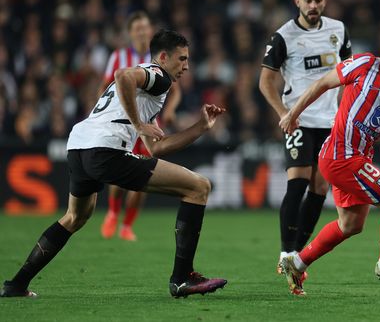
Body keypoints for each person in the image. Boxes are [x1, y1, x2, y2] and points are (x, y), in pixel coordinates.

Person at [0, 29, 227, 298]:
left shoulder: (147, 91)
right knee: (199, 186)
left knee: (75, 217)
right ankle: (181, 279)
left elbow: (157, 147)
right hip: (106, 149)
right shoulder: (159, 76)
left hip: (79, 145)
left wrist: (201, 127)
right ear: (163, 57)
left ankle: (16, 284)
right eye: (182, 59)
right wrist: (137, 123)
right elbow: (123, 75)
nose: (187, 66)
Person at [278, 25, 380, 296]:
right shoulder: (365, 64)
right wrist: (292, 114)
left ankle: (296, 263)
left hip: (357, 158)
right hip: (341, 157)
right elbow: (322, 84)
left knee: (350, 225)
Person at [259, 0, 352, 273]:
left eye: (319, 0)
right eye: (308, 0)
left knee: (320, 188)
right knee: (297, 182)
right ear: (296, 1)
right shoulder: (283, 36)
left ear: (325, 1)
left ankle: (298, 255)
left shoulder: (338, 30)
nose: (314, 6)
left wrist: (347, 112)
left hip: (330, 121)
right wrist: (284, 113)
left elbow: (349, 74)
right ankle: (286, 252)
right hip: (299, 120)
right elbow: (265, 81)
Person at [99, 11, 181, 241]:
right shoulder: (119, 56)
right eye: (138, 29)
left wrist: (171, 110)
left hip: (150, 124)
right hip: (124, 123)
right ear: (131, 33)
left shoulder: (160, 57)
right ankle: (114, 212)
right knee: (119, 172)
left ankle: (127, 225)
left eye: (146, 27)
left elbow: (176, 90)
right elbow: (107, 86)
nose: (143, 32)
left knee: (143, 173)